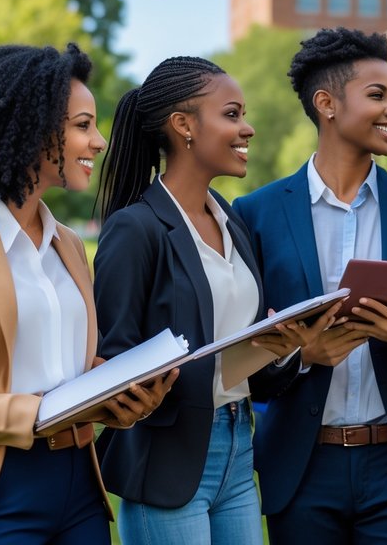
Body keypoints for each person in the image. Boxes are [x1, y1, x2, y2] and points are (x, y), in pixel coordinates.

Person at [0, 43, 170, 543]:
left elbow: (67, 370)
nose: (99, 141)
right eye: (82, 125)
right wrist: (35, 413)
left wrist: (122, 392)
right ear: (30, 130)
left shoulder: (68, 244)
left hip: (81, 488)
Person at [232, 28, 387, 545]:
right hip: (301, 465)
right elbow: (242, 358)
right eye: (378, 96)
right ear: (327, 104)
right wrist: (301, 355)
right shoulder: (257, 214)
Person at [93, 56, 325, 545]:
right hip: (167, 457)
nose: (249, 128)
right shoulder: (135, 229)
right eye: (233, 114)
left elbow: (240, 364)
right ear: (184, 126)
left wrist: (285, 347)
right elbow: (112, 364)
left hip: (240, 448)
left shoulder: (230, 220)